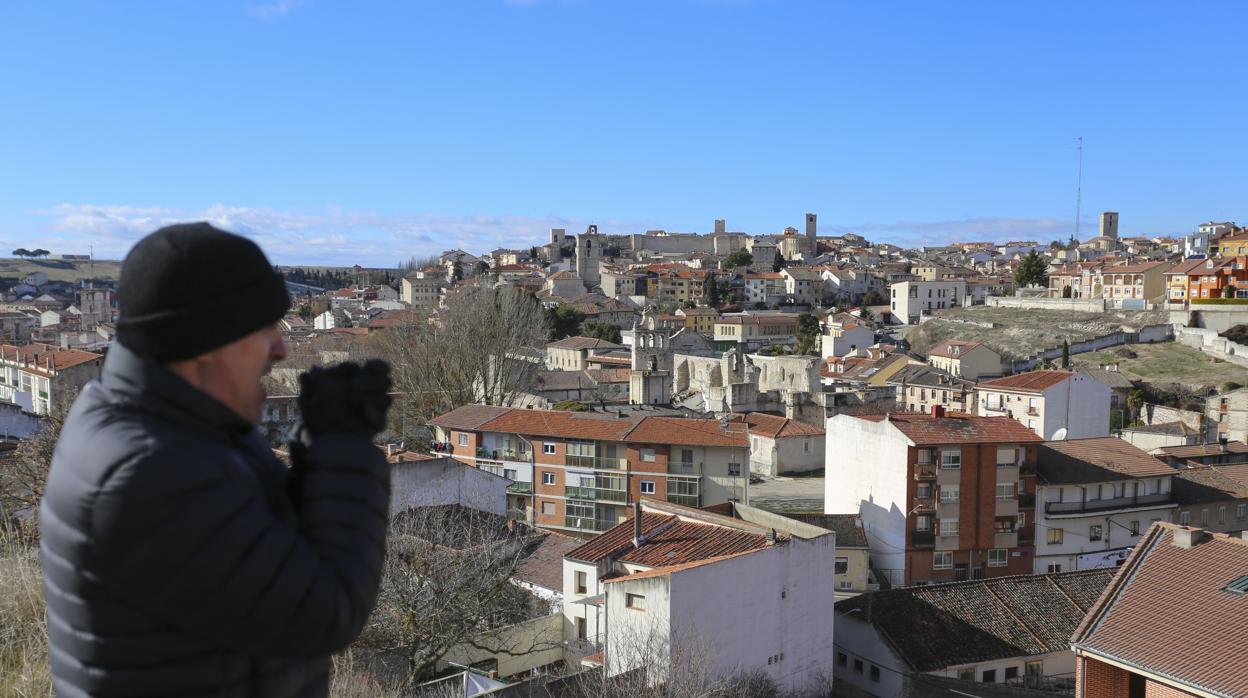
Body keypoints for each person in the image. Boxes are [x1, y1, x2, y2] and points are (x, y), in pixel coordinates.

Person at [40, 222, 393, 697]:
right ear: (206, 342)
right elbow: (322, 612)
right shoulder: (149, 471)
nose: (281, 347)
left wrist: (315, 447)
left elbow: (261, 545)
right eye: (263, 327)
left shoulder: (174, 422)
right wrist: (343, 449)